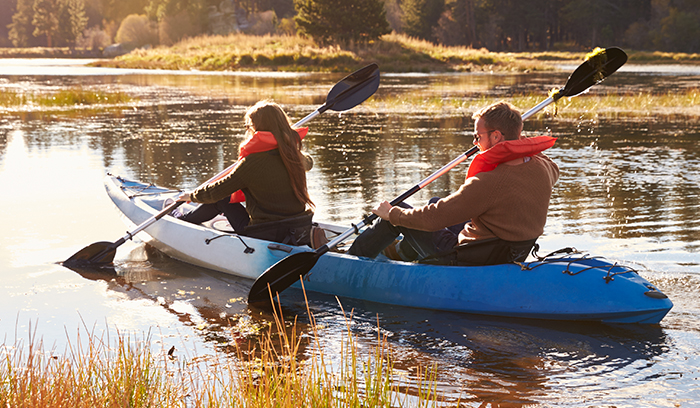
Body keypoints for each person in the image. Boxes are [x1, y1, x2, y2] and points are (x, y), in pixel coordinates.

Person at [348, 101, 560, 266]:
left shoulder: (488, 181)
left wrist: (391, 214)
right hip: (506, 250)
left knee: (397, 212)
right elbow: (529, 151)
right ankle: (402, 253)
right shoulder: (545, 167)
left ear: (496, 136)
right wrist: (515, 140)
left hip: (467, 259)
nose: (475, 143)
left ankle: (349, 261)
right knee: (435, 200)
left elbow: (434, 218)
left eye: (478, 136)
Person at [176, 100, 315, 246]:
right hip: (299, 228)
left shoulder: (252, 163)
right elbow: (309, 163)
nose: (249, 130)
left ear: (258, 128)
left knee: (223, 199)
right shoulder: (293, 156)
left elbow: (217, 191)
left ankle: (182, 222)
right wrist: (289, 145)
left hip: (265, 233)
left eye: (250, 126)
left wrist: (192, 196)